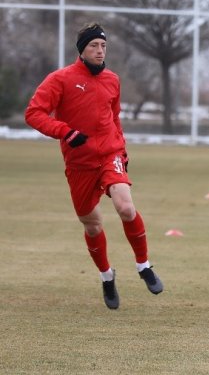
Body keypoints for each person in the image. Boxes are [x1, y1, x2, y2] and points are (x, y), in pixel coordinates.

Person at [25, 22, 163, 310]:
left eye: (103, 46)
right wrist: (65, 132)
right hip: (79, 163)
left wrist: (121, 151)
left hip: (109, 154)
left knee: (125, 206)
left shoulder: (112, 79)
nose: (100, 51)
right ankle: (107, 276)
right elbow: (34, 113)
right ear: (82, 50)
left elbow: (114, 119)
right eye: (94, 46)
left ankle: (144, 266)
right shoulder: (60, 79)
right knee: (92, 224)